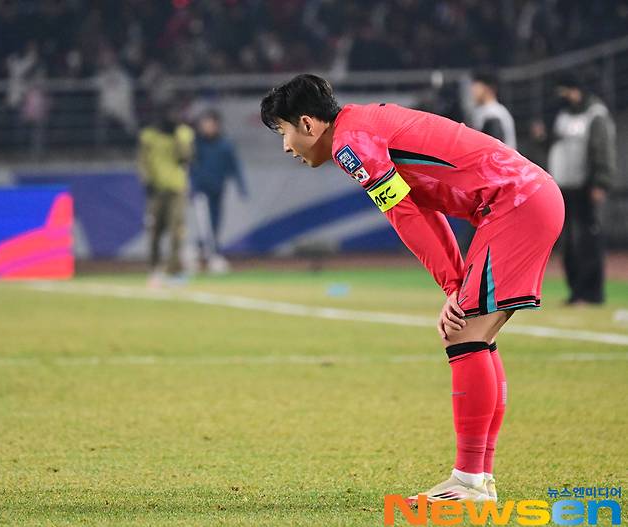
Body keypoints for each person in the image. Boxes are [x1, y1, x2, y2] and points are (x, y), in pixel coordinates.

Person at [260, 74, 564, 504]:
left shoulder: (351, 144)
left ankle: (470, 481)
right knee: (474, 336)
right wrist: (454, 282)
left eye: (283, 132)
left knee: (463, 333)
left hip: (516, 203)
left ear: (307, 124)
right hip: (525, 198)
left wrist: (454, 285)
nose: (286, 146)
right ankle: (478, 477)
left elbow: (403, 214)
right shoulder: (361, 126)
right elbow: (421, 207)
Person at [547, 72, 617, 305]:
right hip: (563, 189)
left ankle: (592, 294)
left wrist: (600, 182)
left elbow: (603, 150)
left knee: (587, 242)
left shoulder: (595, 114)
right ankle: (576, 292)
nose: (563, 96)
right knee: (569, 244)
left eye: (565, 91)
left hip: (586, 189)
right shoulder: (563, 115)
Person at [456, 70, 518, 254]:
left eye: (477, 85)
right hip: (494, 188)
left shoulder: (493, 114)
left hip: (498, 187)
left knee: (479, 247)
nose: (473, 90)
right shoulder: (484, 112)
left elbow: (492, 154)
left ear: (489, 88)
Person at [138, 102, 195, 283]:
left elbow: (186, 158)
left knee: (176, 232)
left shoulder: (184, 133)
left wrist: (178, 138)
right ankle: (154, 268)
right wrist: (146, 181)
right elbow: (142, 161)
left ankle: (174, 271)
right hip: (156, 190)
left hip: (177, 190)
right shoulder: (148, 136)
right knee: (155, 231)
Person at [190, 109, 248, 273]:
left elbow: (234, 166)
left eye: (209, 123)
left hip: (217, 190)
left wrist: (241, 186)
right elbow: (190, 167)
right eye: (204, 124)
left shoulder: (225, 145)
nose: (206, 127)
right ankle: (212, 256)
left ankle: (200, 252)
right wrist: (192, 187)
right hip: (201, 191)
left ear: (217, 125)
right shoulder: (197, 144)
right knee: (205, 225)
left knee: (215, 223)